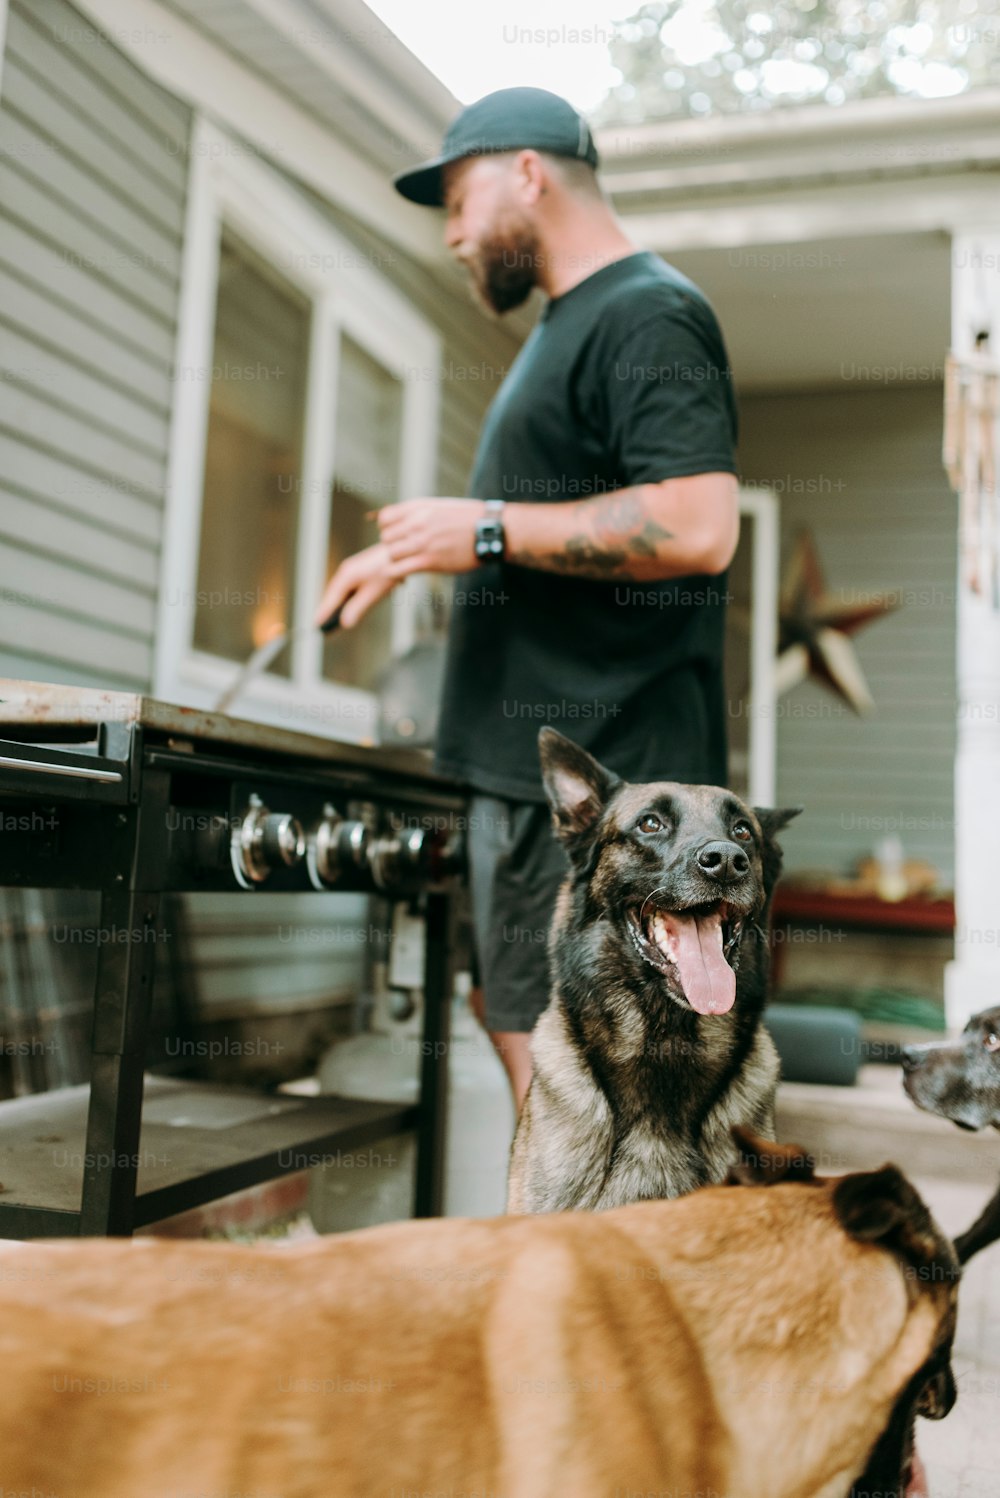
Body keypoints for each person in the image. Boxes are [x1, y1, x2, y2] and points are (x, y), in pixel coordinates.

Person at [315, 87, 739, 1112]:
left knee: (593, 1103)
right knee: (534, 1054)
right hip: (533, 786)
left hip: (603, 797)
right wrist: (442, 547)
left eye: (459, 198)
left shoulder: (645, 311)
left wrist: (488, 527)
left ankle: (588, 1274)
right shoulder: (567, 330)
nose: (454, 233)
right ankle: (564, 1269)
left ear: (529, 172)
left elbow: (694, 523)